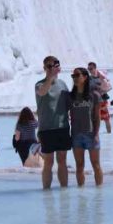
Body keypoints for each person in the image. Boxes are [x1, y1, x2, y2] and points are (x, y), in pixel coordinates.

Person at [36, 55, 72, 189]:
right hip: (46, 129)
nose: (52, 68)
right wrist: (51, 77)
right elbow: (42, 92)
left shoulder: (63, 84)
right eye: (49, 66)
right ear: (45, 68)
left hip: (62, 127)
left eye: (55, 65)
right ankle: (46, 192)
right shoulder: (39, 84)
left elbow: (69, 104)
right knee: (48, 162)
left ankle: (64, 191)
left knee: (62, 161)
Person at [69, 67, 103, 187]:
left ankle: (99, 193)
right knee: (79, 166)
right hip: (76, 135)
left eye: (77, 75)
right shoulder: (71, 96)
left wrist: (97, 134)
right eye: (73, 76)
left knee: (96, 165)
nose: (75, 78)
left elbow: (97, 116)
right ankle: (81, 194)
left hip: (91, 134)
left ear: (85, 77)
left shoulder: (94, 95)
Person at [87, 62, 113, 133]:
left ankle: (109, 135)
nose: (89, 70)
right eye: (88, 69)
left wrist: (102, 92)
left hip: (102, 101)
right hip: (94, 101)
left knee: (106, 118)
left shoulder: (101, 76)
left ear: (95, 68)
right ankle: (94, 135)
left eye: (91, 69)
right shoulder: (91, 77)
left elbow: (110, 87)